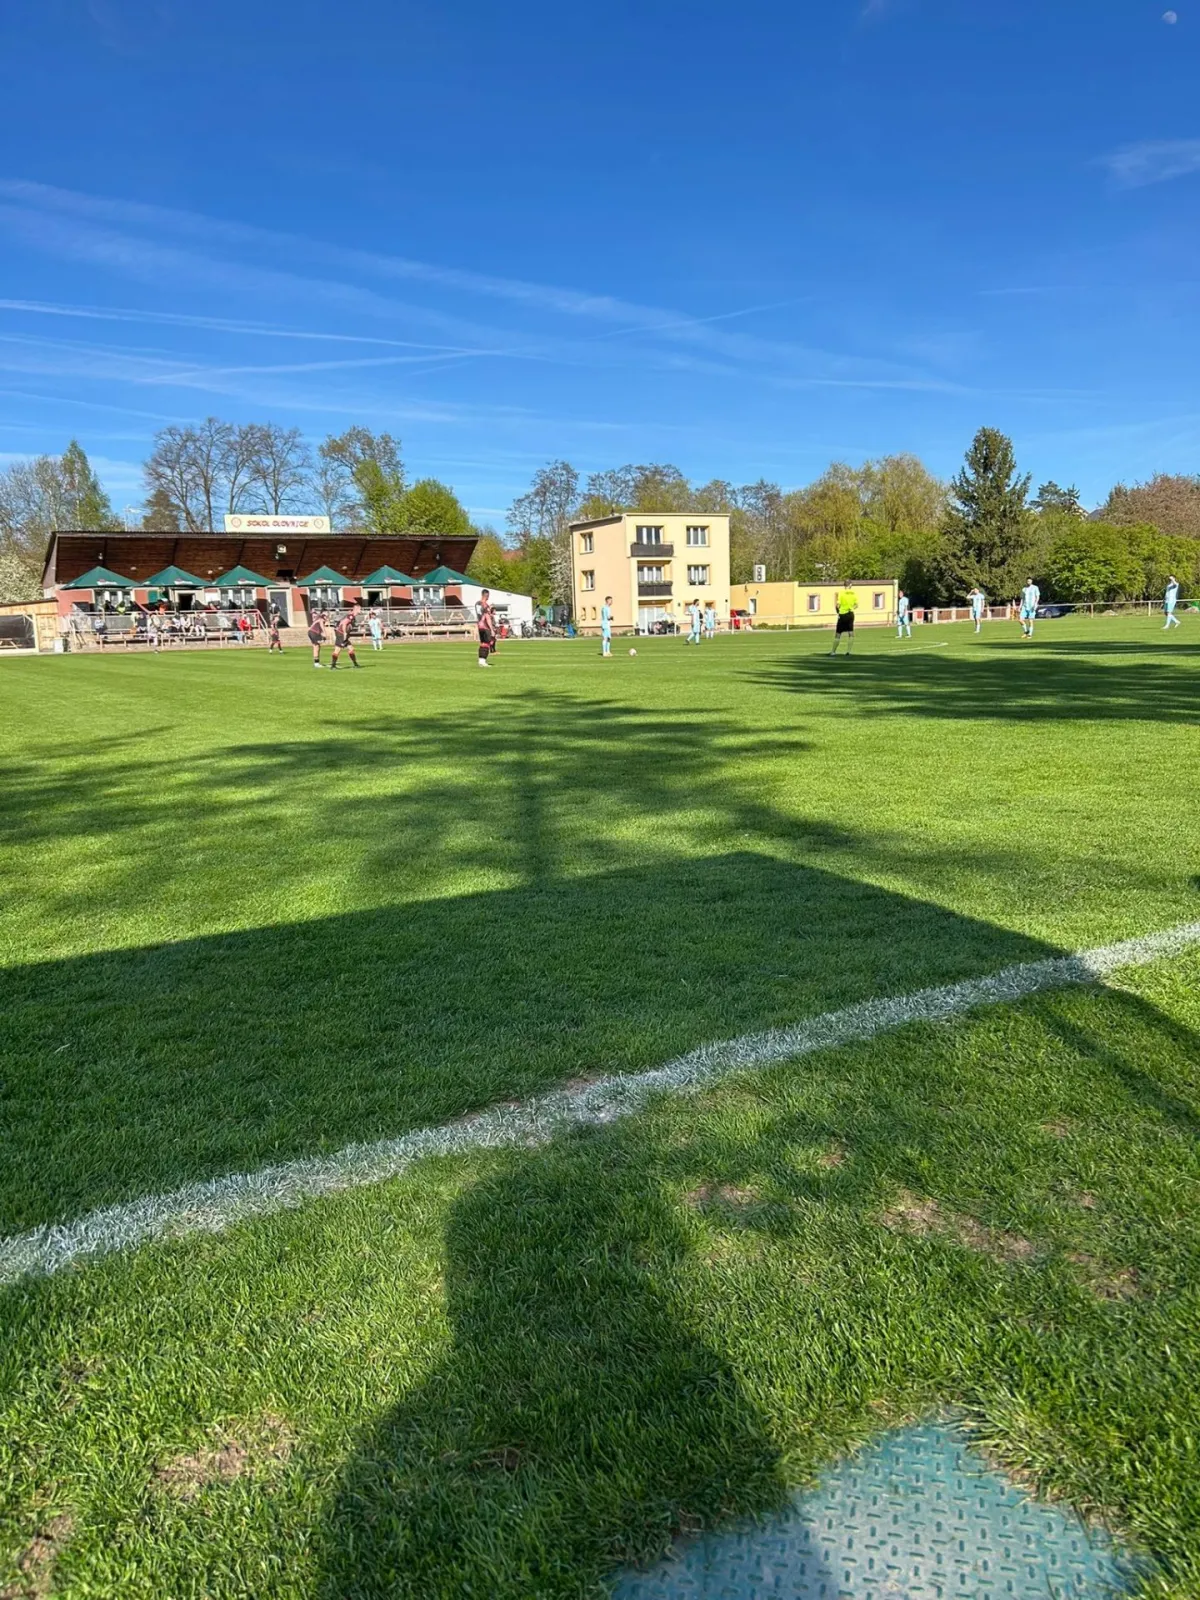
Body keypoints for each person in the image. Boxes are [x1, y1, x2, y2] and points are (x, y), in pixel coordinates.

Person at [330, 604, 363, 669]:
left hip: (342, 634)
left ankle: (355, 664)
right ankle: (333, 666)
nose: (361, 610)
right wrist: (345, 633)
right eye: (360, 609)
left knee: (351, 649)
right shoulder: (351, 616)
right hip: (341, 634)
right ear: (356, 609)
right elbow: (344, 623)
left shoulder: (352, 616)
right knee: (337, 650)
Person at [829, 584, 858, 655]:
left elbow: (837, 605)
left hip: (842, 614)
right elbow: (856, 605)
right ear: (850, 585)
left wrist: (838, 612)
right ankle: (848, 651)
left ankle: (833, 651)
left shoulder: (841, 593)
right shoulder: (854, 593)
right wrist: (851, 608)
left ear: (844, 585)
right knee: (851, 633)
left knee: (838, 633)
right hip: (850, 614)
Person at [475, 588, 496, 667]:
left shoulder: (477, 603)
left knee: (482, 643)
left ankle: (481, 660)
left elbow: (480, 613)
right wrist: (491, 629)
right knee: (487, 643)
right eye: (488, 595)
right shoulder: (485, 604)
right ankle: (483, 661)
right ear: (486, 595)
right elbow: (487, 617)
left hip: (479, 625)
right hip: (485, 625)